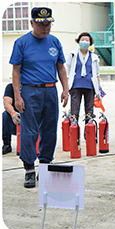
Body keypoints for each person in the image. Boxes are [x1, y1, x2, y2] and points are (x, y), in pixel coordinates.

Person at [9, 7, 69, 188]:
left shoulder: (54, 41)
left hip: (50, 90)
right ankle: (29, 168)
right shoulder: (22, 43)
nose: (45, 28)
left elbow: (61, 68)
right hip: (30, 91)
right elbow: (16, 71)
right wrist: (17, 96)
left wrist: (66, 89)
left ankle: (44, 165)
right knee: (30, 131)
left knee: (50, 130)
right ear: (32, 23)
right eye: (41, 24)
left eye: (48, 24)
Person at [65, 32, 100, 125]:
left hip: (90, 86)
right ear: (78, 41)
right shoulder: (73, 54)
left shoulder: (94, 57)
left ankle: (88, 134)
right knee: (74, 111)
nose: (84, 41)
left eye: (87, 40)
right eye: (82, 39)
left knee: (89, 111)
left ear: (90, 43)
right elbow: (67, 69)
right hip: (76, 85)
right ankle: (74, 134)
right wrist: (67, 86)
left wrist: (98, 89)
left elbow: (97, 73)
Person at [2, 83, 20, 154]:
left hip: (28, 114)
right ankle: (6, 144)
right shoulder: (10, 87)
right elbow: (7, 103)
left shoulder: (30, 87)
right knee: (5, 115)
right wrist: (13, 113)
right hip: (15, 115)